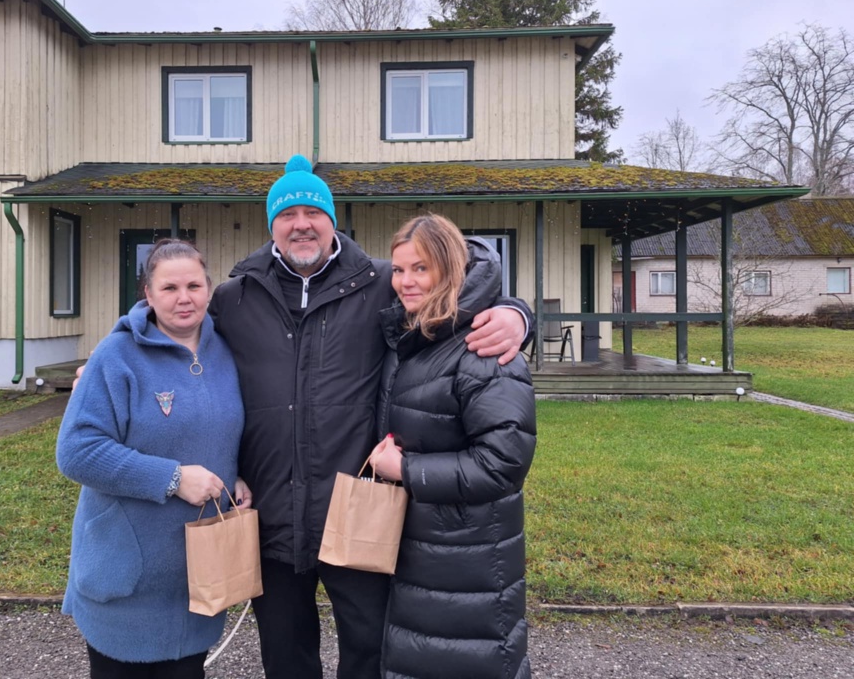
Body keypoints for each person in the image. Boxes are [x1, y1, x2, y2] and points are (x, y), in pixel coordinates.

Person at [206, 154, 535, 679]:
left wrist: (517, 313)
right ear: (272, 226)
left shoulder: (381, 282)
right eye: (287, 215)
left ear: (332, 220)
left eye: (313, 212)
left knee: (368, 652)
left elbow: (464, 268)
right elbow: (172, 314)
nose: (301, 224)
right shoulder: (234, 297)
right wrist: (120, 351)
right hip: (272, 512)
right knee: (285, 656)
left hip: (359, 508)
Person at [56, 238, 251, 679]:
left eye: (194, 286)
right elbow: (77, 451)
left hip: (197, 579)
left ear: (209, 289)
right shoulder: (116, 356)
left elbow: (222, 427)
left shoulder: (227, 353)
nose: (184, 298)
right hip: (127, 578)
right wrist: (173, 478)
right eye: (169, 288)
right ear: (148, 293)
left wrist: (235, 473)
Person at [368, 213, 537, 679]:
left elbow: (503, 463)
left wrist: (406, 470)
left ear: (448, 269)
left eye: (420, 268)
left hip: (470, 556)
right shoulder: (415, 336)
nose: (405, 281)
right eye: (398, 270)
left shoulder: (483, 348)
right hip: (427, 548)